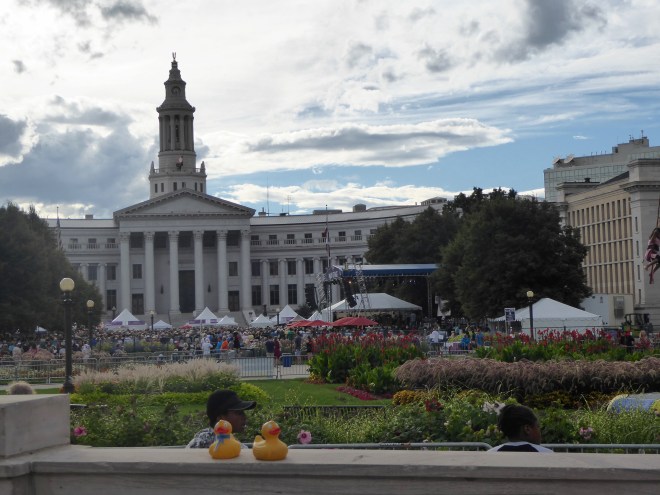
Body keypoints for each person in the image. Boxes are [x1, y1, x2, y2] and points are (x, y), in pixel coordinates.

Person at [187, 390, 256, 449]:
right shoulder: (202, 443)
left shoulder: (237, 445)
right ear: (220, 419)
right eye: (239, 413)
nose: (244, 417)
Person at [488, 404, 553, 452]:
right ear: (527, 429)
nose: (540, 431)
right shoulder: (546, 454)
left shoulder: (491, 453)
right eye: (538, 426)